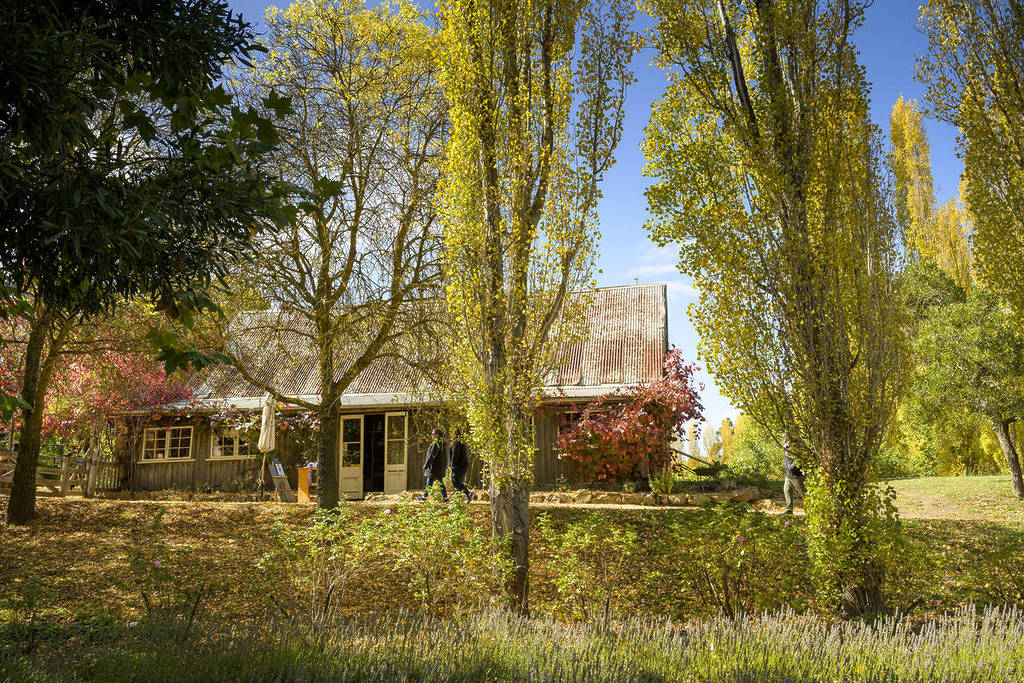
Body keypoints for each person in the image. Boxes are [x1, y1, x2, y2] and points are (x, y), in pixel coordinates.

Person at [420, 428, 448, 502]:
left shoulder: (436, 444)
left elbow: (432, 456)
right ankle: (444, 498)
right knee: (437, 481)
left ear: (437, 435)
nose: (431, 435)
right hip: (438, 467)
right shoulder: (441, 443)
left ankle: (424, 497)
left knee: (432, 481)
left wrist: (426, 465)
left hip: (434, 467)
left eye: (433, 434)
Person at [448, 428, 473, 503]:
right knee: (458, 481)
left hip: (459, 465)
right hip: (461, 465)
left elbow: (455, 455)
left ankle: (468, 493)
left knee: (455, 482)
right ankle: (457, 500)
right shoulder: (459, 441)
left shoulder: (457, 442)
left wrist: (452, 465)